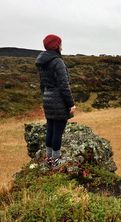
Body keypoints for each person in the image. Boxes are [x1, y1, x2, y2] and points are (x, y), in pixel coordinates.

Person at [35, 34, 76, 167]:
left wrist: (45, 98)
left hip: (47, 98)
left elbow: (42, 84)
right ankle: (56, 160)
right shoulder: (57, 61)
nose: (61, 46)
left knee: (51, 128)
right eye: (60, 44)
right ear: (56, 45)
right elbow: (64, 85)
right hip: (58, 100)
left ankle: (48, 157)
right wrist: (71, 103)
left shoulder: (42, 61)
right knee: (58, 130)